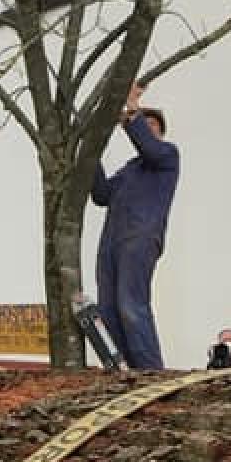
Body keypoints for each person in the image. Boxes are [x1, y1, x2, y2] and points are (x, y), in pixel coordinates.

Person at [91, 82, 179, 370]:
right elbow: (102, 195)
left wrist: (132, 108)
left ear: (160, 134)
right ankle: (125, 370)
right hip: (111, 243)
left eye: (150, 127)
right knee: (108, 310)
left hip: (140, 238)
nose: (144, 131)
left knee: (131, 306)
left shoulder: (167, 157)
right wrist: (90, 156)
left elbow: (150, 148)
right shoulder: (129, 170)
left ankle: (151, 372)